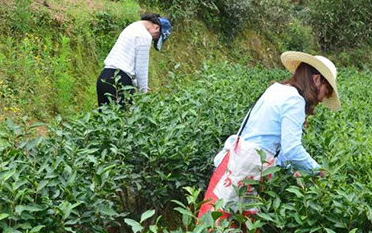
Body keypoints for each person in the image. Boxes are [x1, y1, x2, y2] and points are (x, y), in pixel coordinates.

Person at [199, 51, 341, 221]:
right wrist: (319, 172)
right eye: (327, 90)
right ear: (317, 79)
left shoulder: (276, 89)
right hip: (248, 168)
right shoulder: (295, 100)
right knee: (231, 229)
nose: (323, 97)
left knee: (213, 223)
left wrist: (291, 169)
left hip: (235, 158)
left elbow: (266, 138)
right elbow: (292, 150)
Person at [96, 13, 172, 107]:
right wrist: (143, 92)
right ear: (156, 28)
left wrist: (135, 84)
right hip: (120, 81)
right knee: (126, 118)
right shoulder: (144, 36)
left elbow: (126, 63)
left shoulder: (132, 27)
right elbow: (141, 69)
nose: (152, 40)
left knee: (105, 117)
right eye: (156, 37)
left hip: (104, 78)